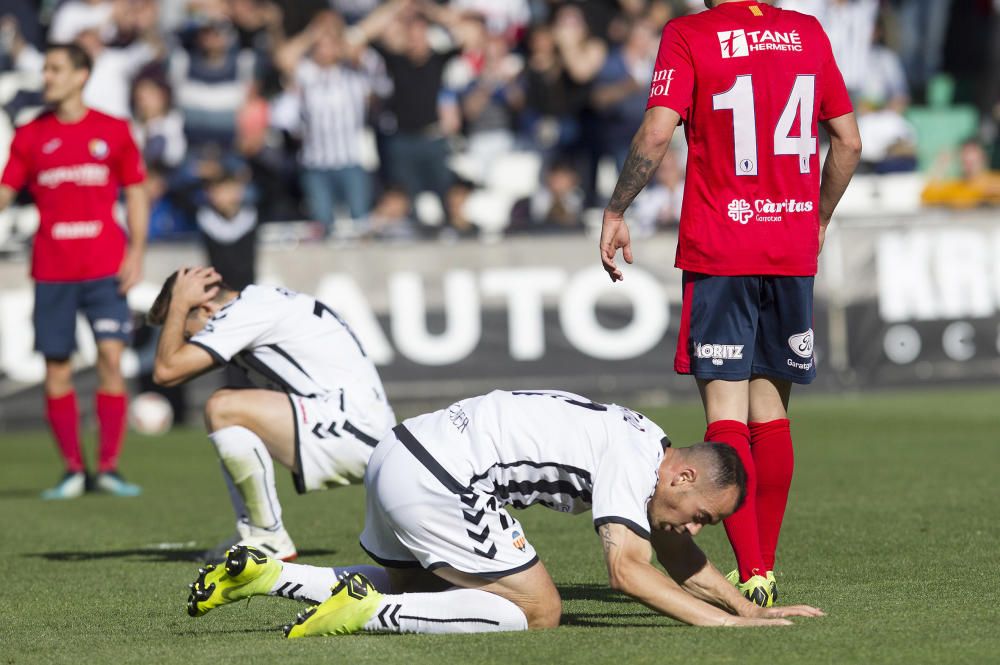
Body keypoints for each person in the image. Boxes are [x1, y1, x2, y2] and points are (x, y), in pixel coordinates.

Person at [599, 0, 861, 606]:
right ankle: (763, 568)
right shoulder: (806, 32)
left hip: (723, 246)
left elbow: (657, 132)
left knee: (727, 415)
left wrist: (617, 209)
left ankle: (754, 574)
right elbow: (847, 142)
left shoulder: (690, 34)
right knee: (771, 413)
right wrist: (816, 217)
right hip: (790, 246)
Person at [185, 389, 824, 634]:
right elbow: (627, 572)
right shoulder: (634, 461)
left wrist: (747, 606)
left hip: (400, 451)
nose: (691, 529)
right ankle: (371, 613)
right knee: (541, 611)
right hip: (440, 474)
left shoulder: (642, 444)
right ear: (682, 474)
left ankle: (268, 576)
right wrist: (721, 629)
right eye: (702, 515)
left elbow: (677, 556)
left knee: (424, 586)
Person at [148, 267, 395, 561]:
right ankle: (254, 531)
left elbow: (166, 371)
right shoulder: (260, 303)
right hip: (363, 428)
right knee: (231, 411)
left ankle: (267, 536)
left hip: (353, 429)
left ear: (205, 307)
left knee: (223, 407)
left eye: (188, 334)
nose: (191, 343)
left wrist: (177, 303)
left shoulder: (244, 312)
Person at [0, 43, 149, 499]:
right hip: (52, 271)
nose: (47, 76)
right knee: (57, 370)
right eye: (45, 68)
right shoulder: (30, 135)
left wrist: (138, 250)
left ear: (81, 75)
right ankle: (71, 470)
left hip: (105, 267)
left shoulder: (114, 130)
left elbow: (136, 190)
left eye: (56, 68)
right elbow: (6, 189)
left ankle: (108, 467)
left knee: (110, 359)